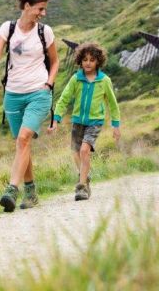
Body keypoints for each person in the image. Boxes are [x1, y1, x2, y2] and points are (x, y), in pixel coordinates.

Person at [0, 0, 59, 212]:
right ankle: (31, 192)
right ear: (27, 6)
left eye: (44, 9)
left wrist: (49, 83)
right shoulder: (8, 29)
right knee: (22, 143)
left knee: (24, 138)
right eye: (40, 9)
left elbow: (55, 62)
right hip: (13, 95)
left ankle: (11, 190)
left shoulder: (45, 32)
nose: (43, 13)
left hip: (38, 92)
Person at [50, 42, 121, 201]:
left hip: (95, 122)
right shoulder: (76, 79)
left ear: (98, 62)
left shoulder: (104, 81)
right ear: (80, 61)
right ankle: (85, 177)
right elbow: (64, 99)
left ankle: (81, 187)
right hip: (78, 122)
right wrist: (56, 119)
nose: (88, 63)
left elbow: (113, 104)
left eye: (92, 60)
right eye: (85, 59)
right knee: (75, 153)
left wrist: (116, 126)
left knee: (84, 151)